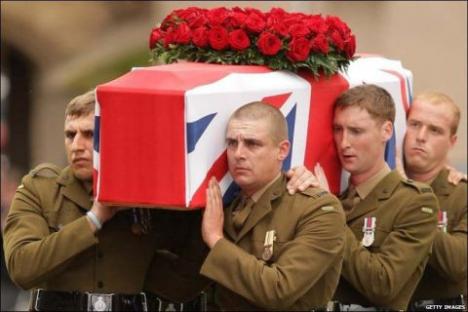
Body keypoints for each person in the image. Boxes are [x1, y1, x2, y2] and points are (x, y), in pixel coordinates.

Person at [3, 90, 315, 311]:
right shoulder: (40, 189)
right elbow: (23, 268)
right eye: (71, 135)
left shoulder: (148, 197)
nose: (78, 146)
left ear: (116, 136)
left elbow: (180, 284)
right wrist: (94, 219)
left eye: (90, 134)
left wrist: (207, 221)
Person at [196, 101, 346, 311]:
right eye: (231, 143)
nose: (238, 153)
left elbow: (279, 289)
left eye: (252, 144)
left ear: (282, 150)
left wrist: (215, 239)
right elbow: (182, 286)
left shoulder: (317, 209)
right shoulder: (224, 208)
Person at [329, 84, 439, 311]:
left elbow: (383, 284)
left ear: (386, 131)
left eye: (356, 131)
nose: (344, 142)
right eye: (338, 129)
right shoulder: (336, 197)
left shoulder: (415, 202)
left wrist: (329, 215)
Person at [404, 91, 467, 310]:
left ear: (452, 142)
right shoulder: (377, 186)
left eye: (435, 130)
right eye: (414, 124)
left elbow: (457, 264)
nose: (421, 136)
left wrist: (408, 202)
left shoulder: (462, 195)